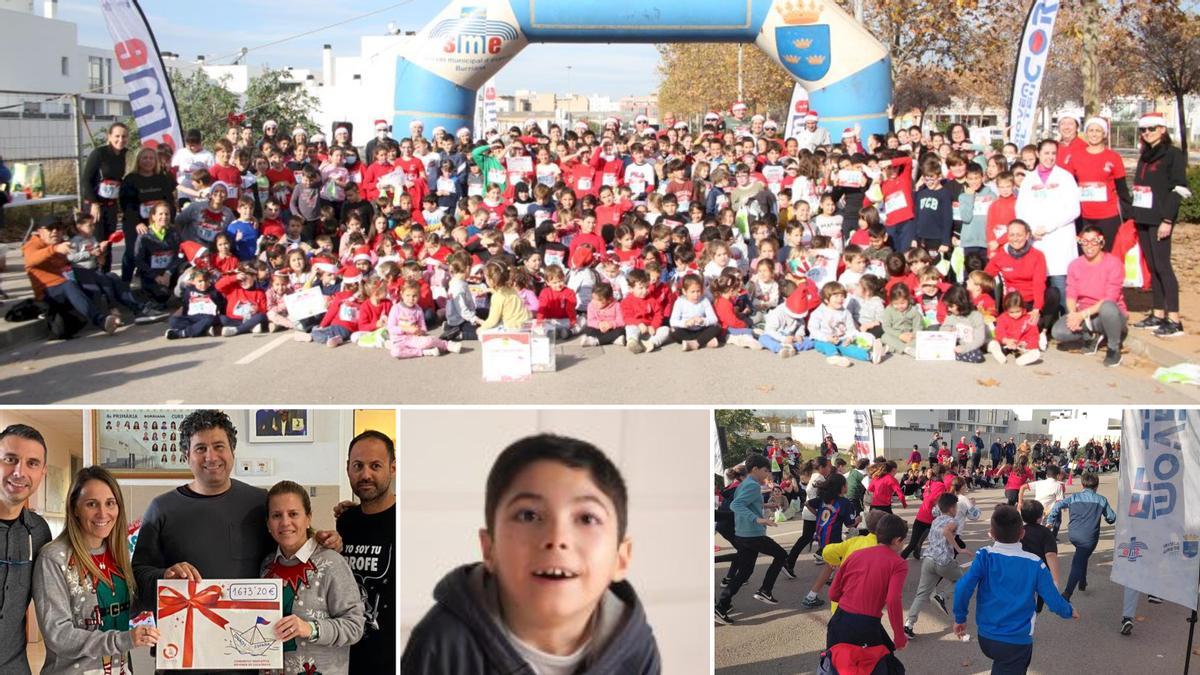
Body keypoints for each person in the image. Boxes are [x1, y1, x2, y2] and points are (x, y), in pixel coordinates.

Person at [401, 434, 660, 672]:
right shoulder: (441, 644)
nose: (557, 539)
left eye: (587, 518)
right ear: (489, 548)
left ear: (621, 558)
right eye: (528, 515)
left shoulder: (637, 650)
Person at [130, 410, 342, 663]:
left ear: (232, 452)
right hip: (183, 654)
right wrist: (165, 575)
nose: (211, 456)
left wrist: (322, 538)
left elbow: (290, 544)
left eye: (219, 446)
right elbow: (138, 574)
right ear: (187, 456)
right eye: (200, 449)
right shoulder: (162, 508)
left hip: (249, 657)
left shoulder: (258, 502)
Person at [32, 466, 158, 674]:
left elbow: (128, 608)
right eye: (92, 504)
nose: (103, 513)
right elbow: (59, 635)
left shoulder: (118, 554)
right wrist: (123, 640)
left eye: (110, 503)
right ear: (75, 508)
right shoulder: (53, 558)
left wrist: (167, 579)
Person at [953, 505, 1077, 675]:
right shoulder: (1035, 563)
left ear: (992, 533)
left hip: (986, 637)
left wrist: (960, 618)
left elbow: (962, 587)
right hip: (1015, 642)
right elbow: (1053, 599)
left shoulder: (984, 556)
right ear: (1022, 533)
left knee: (1002, 664)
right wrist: (1069, 611)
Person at [263, 480, 365, 675]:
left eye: (293, 514)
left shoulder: (332, 563)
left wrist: (309, 628)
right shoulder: (266, 566)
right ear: (268, 523)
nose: (285, 522)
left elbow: (355, 626)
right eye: (277, 515)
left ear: (308, 517)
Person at [335, 429, 397, 673]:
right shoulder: (346, 520)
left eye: (375, 465)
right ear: (348, 468)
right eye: (358, 466)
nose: (366, 475)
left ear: (392, 468)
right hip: (349, 658)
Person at [1129, 112, 1189, 338]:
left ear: (1162, 129)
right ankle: (1157, 313)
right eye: (1143, 130)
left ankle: (1174, 318)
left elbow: (1179, 189)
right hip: (1143, 218)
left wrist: (1168, 219)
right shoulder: (1145, 155)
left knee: (1164, 267)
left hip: (1160, 219)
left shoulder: (1172, 154)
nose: (1147, 133)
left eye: (1151, 129)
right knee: (1152, 267)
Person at [0, 424, 54, 674]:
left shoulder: (39, 532)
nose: (19, 472)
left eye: (32, 463)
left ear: (42, 472)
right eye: (10, 459)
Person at [716, 453, 790, 620]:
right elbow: (736, 505)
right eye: (765, 471)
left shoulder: (745, 484)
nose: (768, 475)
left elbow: (746, 502)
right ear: (755, 469)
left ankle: (722, 605)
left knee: (744, 572)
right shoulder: (752, 485)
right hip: (752, 534)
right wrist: (758, 519)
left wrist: (765, 504)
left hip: (743, 534)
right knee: (781, 555)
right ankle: (765, 590)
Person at [826, 514, 909, 660]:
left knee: (837, 665)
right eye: (903, 541)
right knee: (881, 667)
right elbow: (893, 600)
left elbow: (833, 593)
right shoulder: (898, 563)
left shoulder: (856, 554)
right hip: (865, 624)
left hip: (839, 619)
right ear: (897, 540)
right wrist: (899, 637)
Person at [23, 217, 118, 335]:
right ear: (40, 231)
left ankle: (117, 314)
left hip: (68, 287)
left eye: (58, 228)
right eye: (50, 229)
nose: (55, 232)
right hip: (49, 291)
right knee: (68, 285)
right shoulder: (32, 244)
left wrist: (98, 254)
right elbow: (31, 260)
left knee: (98, 279)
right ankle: (100, 320)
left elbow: (73, 263)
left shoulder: (62, 243)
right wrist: (55, 249)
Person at [1051, 226, 1127, 367]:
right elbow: (1071, 293)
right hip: (1085, 314)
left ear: (1101, 242)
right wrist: (1073, 314)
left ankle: (1113, 348)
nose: (1089, 246)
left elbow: (1111, 297)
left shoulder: (1114, 263)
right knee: (1058, 332)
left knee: (1108, 307)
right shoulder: (1075, 265)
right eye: (1085, 242)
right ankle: (1091, 336)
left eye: (1094, 241)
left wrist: (1082, 315)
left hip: (1109, 314)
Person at [1046, 472, 1116, 601]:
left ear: (1082, 485)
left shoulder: (1074, 497)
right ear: (1097, 486)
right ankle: (1067, 594)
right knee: (1078, 561)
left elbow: (1058, 505)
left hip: (1073, 534)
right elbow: (1111, 518)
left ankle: (1082, 582)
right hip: (1089, 538)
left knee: (1081, 556)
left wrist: (1050, 520)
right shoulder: (1101, 500)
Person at [903, 493, 964, 639]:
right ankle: (942, 596)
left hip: (929, 559)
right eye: (956, 506)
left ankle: (908, 624)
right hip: (943, 561)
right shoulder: (953, 521)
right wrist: (959, 549)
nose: (956, 509)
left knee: (922, 593)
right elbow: (947, 531)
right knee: (963, 579)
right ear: (951, 508)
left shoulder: (935, 520)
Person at [81, 123, 129, 272]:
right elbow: (85, 180)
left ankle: (106, 275)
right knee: (97, 243)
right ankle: (94, 276)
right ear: (109, 136)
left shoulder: (125, 154)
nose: (121, 140)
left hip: (111, 205)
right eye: (117, 136)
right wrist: (94, 203)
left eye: (124, 136)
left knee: (108, 242)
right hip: (95, 206)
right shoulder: (99, 154)